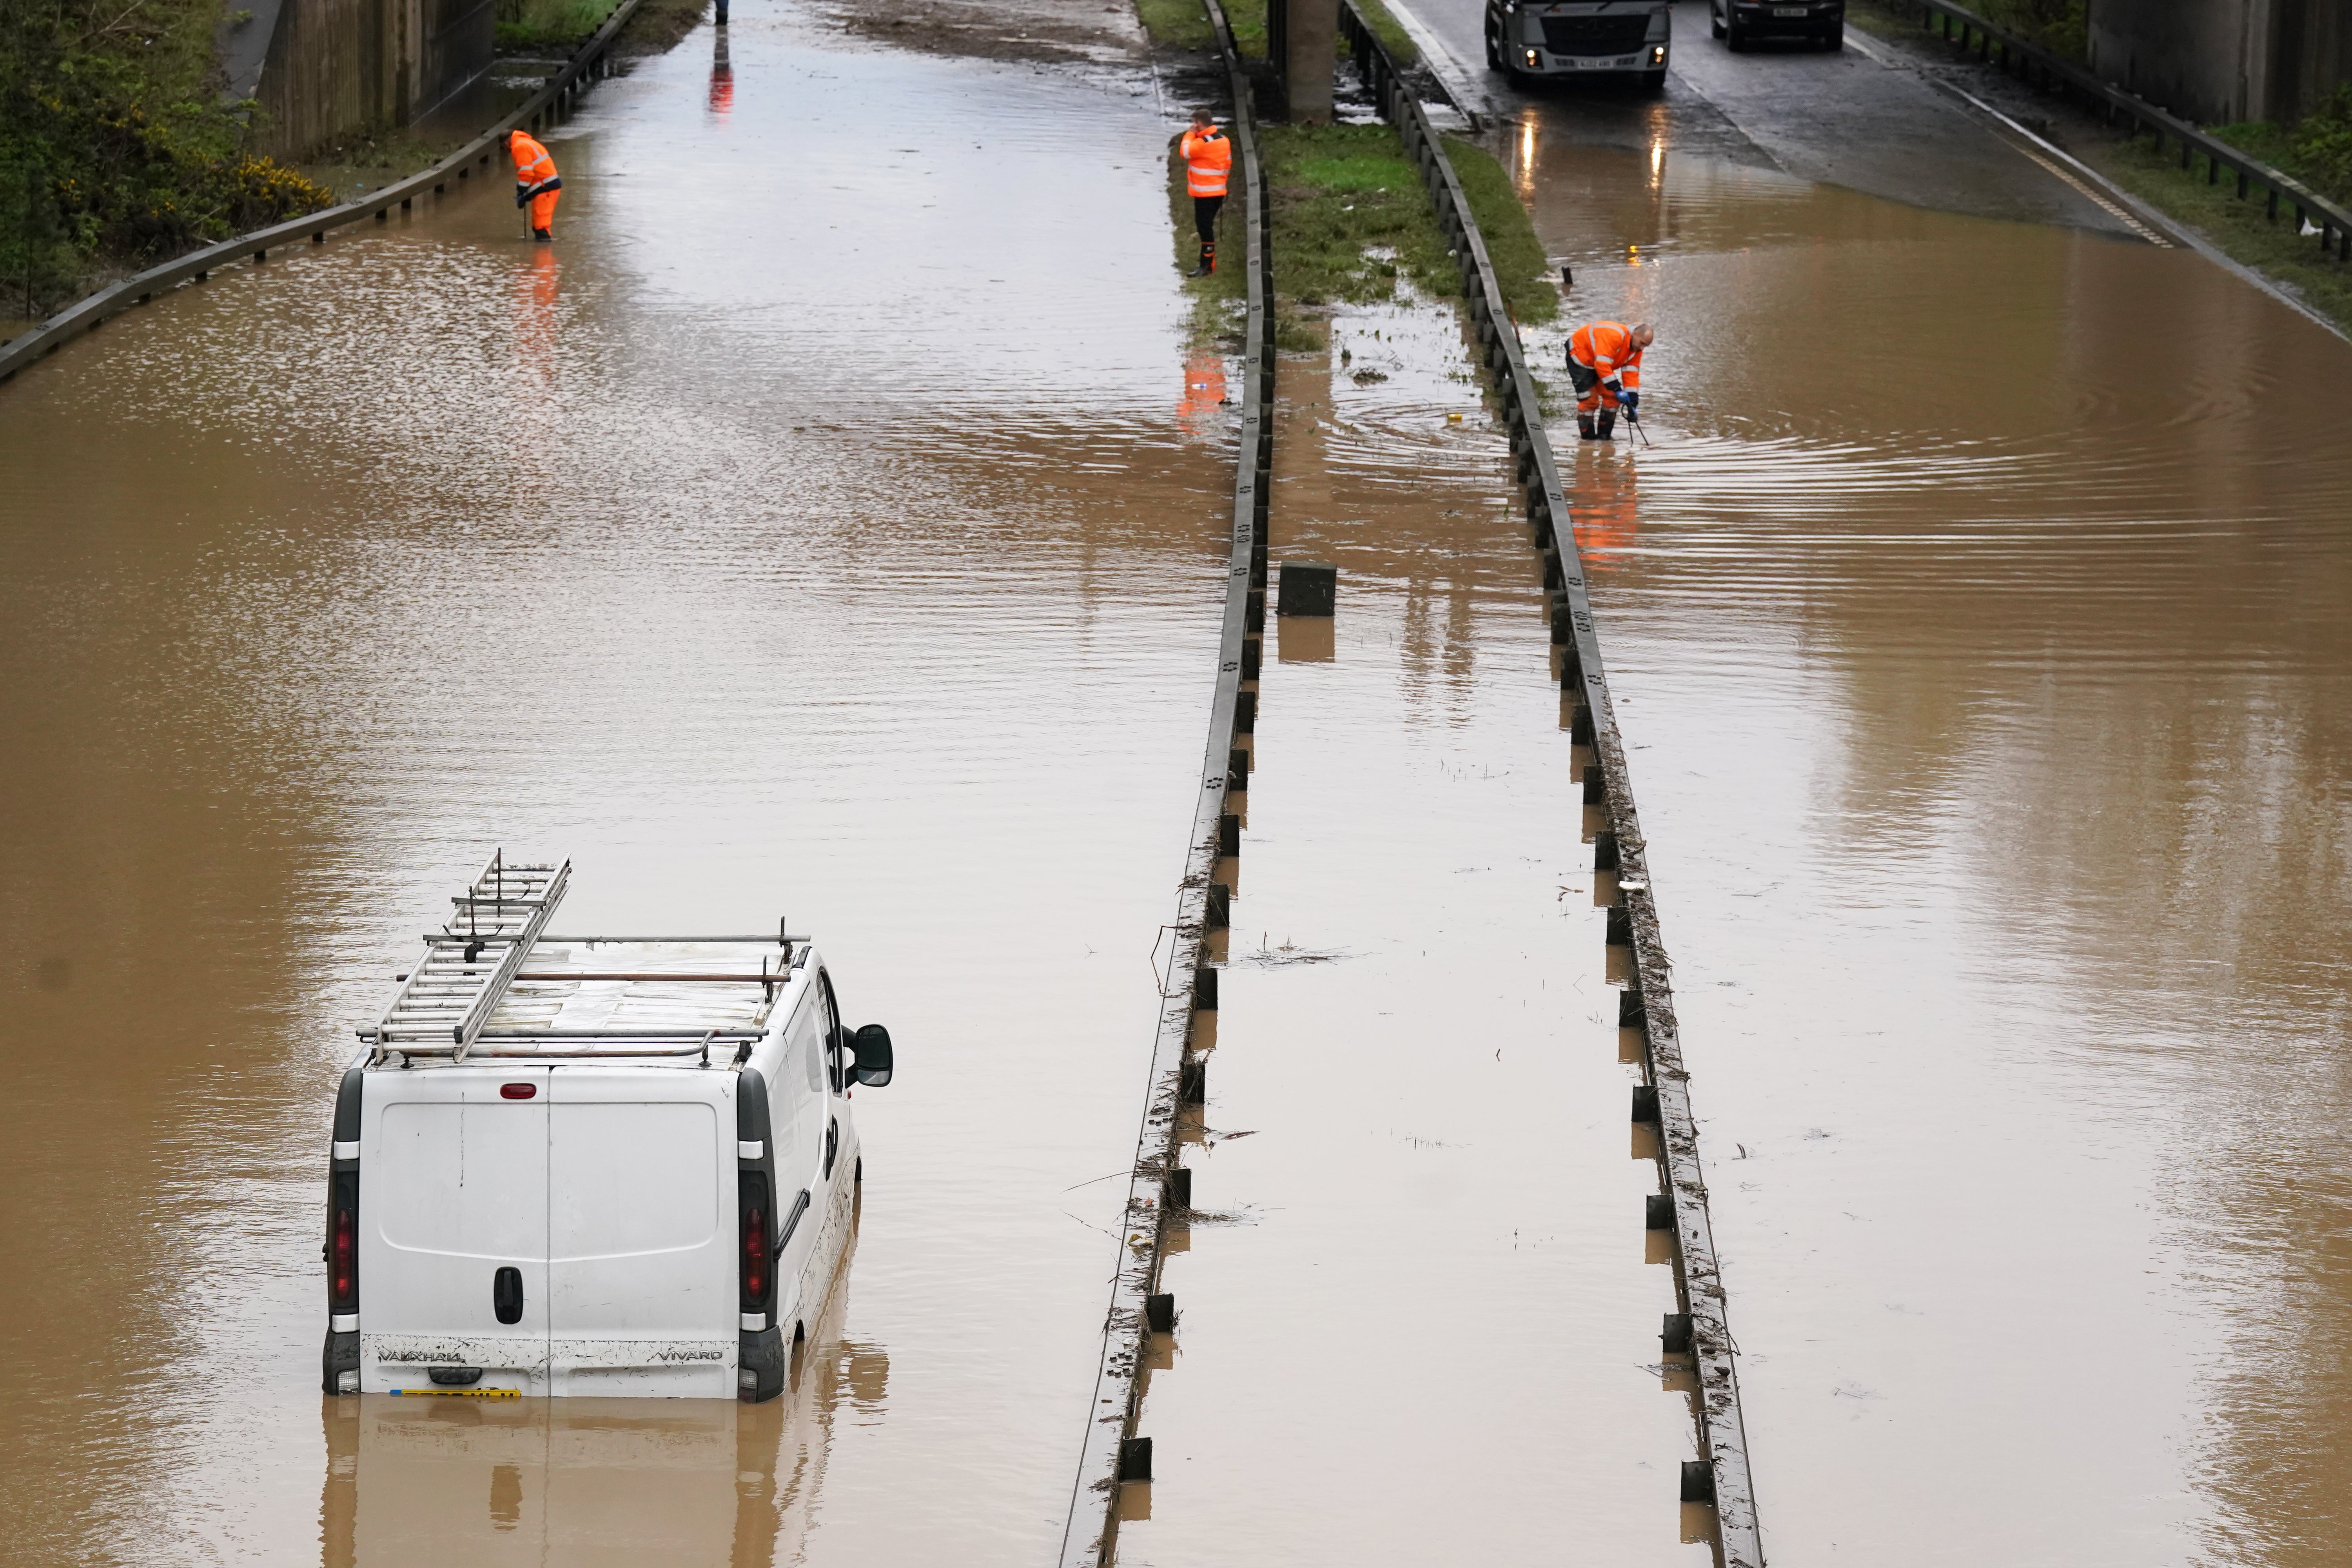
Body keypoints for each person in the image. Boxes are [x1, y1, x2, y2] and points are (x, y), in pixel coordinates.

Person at [1566, 319, 1654, 441]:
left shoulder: (1636, 349)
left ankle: (1604, 439)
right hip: (1580, 357)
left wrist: (1632, 402)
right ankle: (1588, 441)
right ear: (1635, 334)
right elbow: (1602, 365)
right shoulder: (1616, 336)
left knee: (1613, 398)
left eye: (1646, 346)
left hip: (1598, 363)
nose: (1642, 348)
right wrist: (1617, 389)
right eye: (1642, 343)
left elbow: (1631, 373)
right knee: (1590, 401)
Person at [1180, 108, 1232, 278]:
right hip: (1218, 190)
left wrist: (1189, 134)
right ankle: (1209, 264)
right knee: (1206, 226)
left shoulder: (1204, 142)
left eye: (1194, 123)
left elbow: (1185, 152)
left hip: (1205, 193)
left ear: (1199, 123)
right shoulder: (1224, 140)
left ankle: (1206, 266)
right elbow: (1228, 163)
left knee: (1204, 228)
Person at [510, 128, 562, 243]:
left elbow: (526, 172)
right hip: (546, 186)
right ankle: (541, 255)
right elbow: (536, 173)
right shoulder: (529, 143)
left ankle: (543, 257)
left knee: (541, 227)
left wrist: (521, 191)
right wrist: (526, 194)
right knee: (539, 225)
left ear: (505, 143)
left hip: (546, 188)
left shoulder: (519, 147)